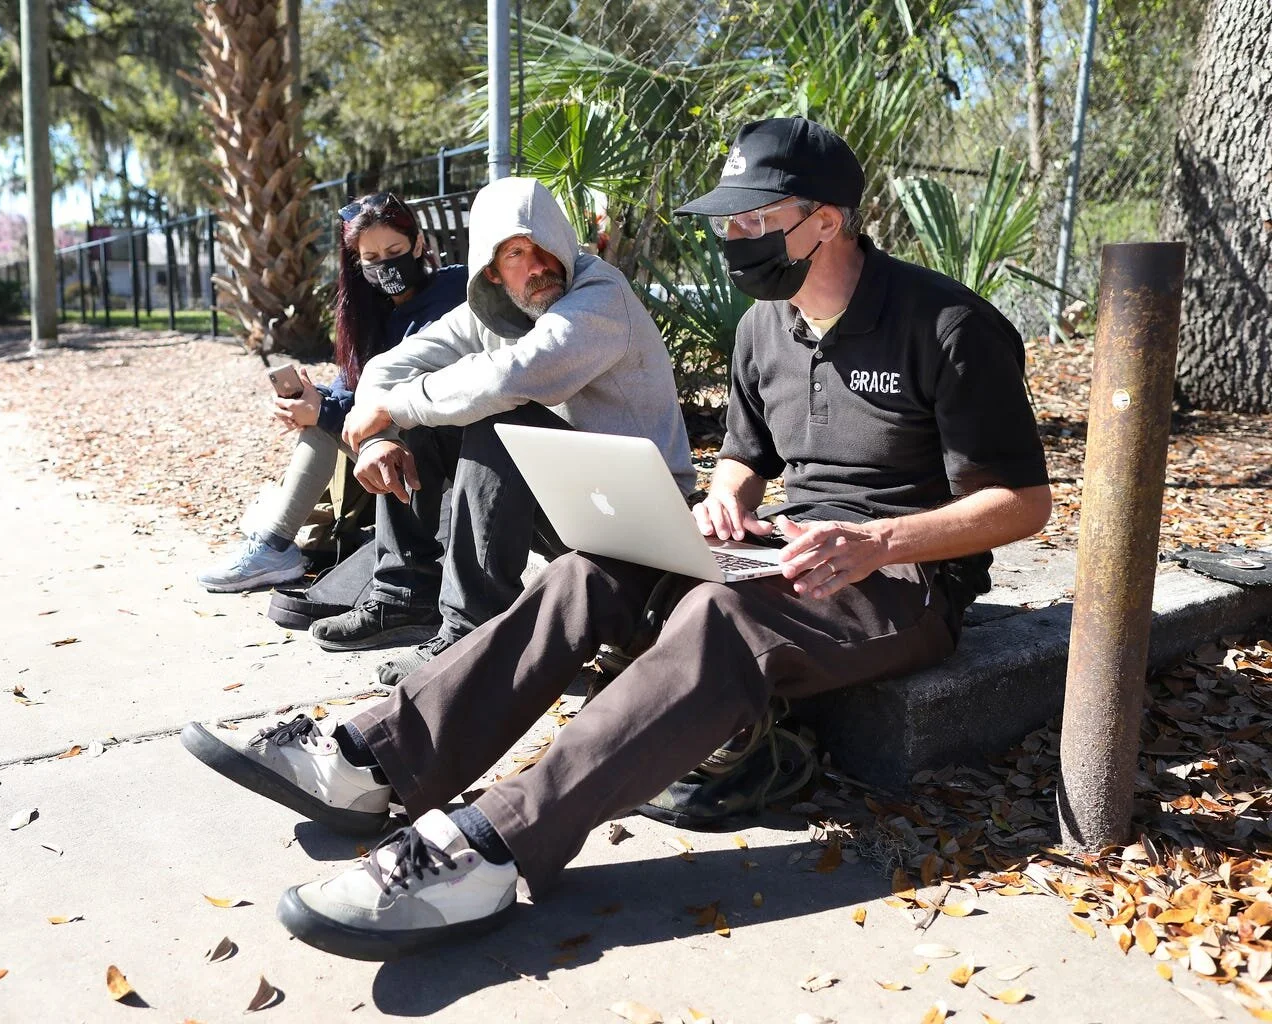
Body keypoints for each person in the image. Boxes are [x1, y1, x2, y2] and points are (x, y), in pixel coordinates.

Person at [181, 117, 1051, 961]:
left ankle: (492, 846)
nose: (734, 236)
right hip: (782, 547)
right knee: (589, 570)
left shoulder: (946, 326)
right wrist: (722, 503)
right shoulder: (764, 327)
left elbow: (1022, 504)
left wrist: (877, 543)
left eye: (755, 219)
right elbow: (745, 460)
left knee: (718, 617)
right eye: (728, 219)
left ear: (827, 219)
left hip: (905, 585)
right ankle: (376, 760)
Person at [303, 175, 695, 669]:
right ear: (491, 269)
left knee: (497, 421)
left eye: (542, 247)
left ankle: (474, 637)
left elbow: (514, 376)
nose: (536, 268)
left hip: (645, 520)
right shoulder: (489, 309)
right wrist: (380, 435)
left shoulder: (600, 296)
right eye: (513, 255)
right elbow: (388, 366)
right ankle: (405, 594)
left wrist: (395, 408)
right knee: (428, 417)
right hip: (576, 505)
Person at [197, 192, 466, 593]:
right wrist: (310, 401)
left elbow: (408, 401)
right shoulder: (369, 312)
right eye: (372, 259)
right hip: (391, 447)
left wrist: (322, 413)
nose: (386, 265)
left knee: (323, 423)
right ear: (357, 263)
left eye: (395, 250)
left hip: (440, 457)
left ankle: (274, 546)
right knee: (319, 415)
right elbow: (350, 390)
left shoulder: (452, 291)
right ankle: (275, 544)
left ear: (420, 244)